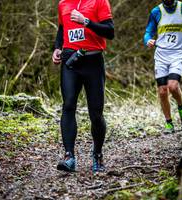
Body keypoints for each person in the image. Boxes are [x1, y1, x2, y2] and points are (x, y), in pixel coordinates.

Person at [52, 0, 114, 172]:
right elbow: (62, 29)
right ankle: (69, 157)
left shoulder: (100, 1)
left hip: (93, 61)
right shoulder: (63, 3)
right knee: (68, 105)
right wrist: (57, 48)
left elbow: (110, 32)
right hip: (70, 61)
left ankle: (98, 155)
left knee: (95, 113)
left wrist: (86, 21)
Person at [144, 0, 182, 134]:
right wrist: (148, 40)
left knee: (173, 86)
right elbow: (148, 32)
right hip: (161, 55)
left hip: (178, 53)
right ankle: (169, 123)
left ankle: (181, 108)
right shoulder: (156, 11)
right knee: (162, 91)